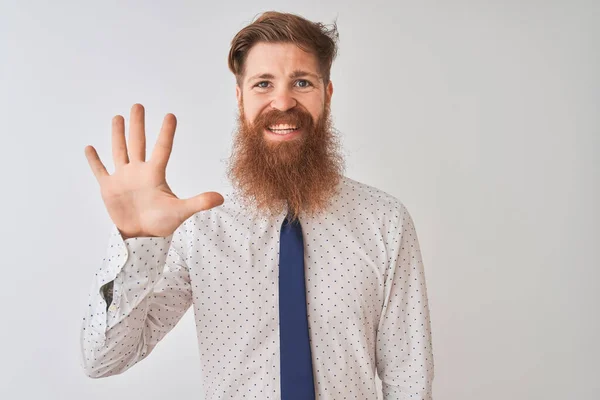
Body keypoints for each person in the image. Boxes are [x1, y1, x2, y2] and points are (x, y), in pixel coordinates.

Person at [80, 10, 434, 400]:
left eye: (302, 82)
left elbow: (409, 381)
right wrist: (139, 243)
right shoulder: (199, 231)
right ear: (240, 98)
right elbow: (104, 359)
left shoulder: (384, 221)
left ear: (326, 95)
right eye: (263, 84)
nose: (283, 101)